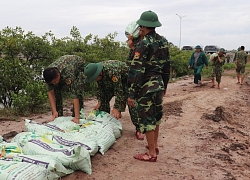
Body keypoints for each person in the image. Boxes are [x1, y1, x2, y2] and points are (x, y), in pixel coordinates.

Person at [127, 10, 170, 162]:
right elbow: (166, 66)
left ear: (144, 27)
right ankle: (154, 145)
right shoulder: (163, 41)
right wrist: (165, 85)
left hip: (146, 87)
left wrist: (131, 93)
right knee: (156, 117)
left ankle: (151, 154)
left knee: (147, 120)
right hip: (158, 85)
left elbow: (136, 70)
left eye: (141, 27)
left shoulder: (143, 44)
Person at [43, 55, 85, 124]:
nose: (53, 84)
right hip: (62, 69)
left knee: (78, 91)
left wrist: (76, 117)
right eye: (51, 83)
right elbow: (50, 93)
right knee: (56, 91)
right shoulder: (49, 74)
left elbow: (74, 94)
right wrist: (54, 112)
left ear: (58, 75)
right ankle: (57, 116)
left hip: (79, 68)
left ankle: (78, 115)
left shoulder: (68, 73)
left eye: (54, 81)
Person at [125, 20, 145, 140]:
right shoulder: (135, 41)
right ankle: (138, 127)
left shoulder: (143, 42)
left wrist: (132, 46)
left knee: (140, 102)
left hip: (141, 76)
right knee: (132, 102)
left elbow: (139, 60)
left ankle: (141, 129)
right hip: (132, 75)